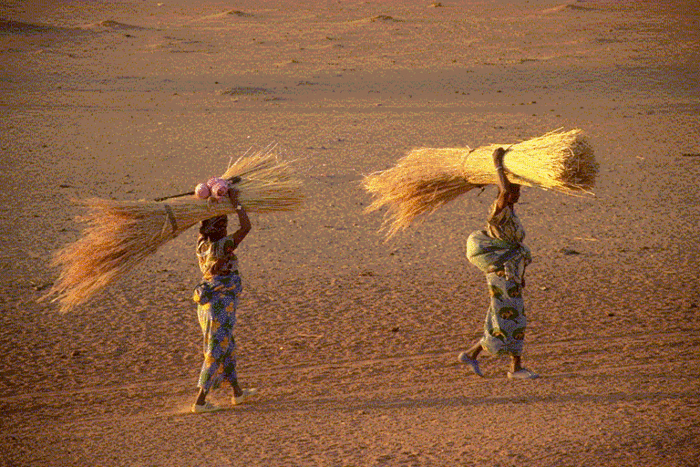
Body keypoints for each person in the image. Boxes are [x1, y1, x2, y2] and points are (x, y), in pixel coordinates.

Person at [458, 147, 538, 380]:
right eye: (514, 192)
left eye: (518, 192)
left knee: (503, 315)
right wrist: (498, 164)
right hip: (502, 274)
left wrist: (521, 275)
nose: (516, 195)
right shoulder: (498, 209)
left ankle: (473, 354)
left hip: (510, 274)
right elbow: (503, 190)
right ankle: (515, 367)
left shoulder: (510, 213)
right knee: (511, 317)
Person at [191, 186, 258, 413]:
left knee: (227, 346)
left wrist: (209, 203)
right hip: (219, 304)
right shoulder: (221, 246)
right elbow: (246, 227)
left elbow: (203, 229)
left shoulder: (201, 246)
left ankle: (237, 393)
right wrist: (236, 203)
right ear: (218, 230)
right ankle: (200, 401)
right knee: (216, 349)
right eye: (223, 225)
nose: (226, 228)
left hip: (209, 303)